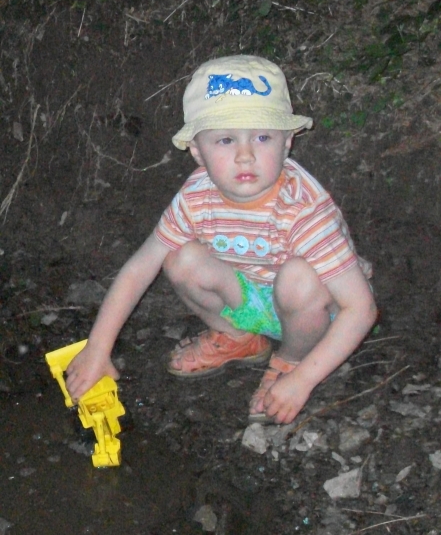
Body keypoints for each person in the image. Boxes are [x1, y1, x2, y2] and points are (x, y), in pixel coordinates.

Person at [66, 55, 377, 425]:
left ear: (287, 142)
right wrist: (97, 348)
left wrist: (303, 380)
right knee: (180, 258)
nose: (245, 155)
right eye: (226, 140)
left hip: (318, 311)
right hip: (253, 296)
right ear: (198, 151)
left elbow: (361, 309)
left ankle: (290, 362)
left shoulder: (302, 209)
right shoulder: (197, 196)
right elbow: (139, 268)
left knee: (298, 278)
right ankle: (237, 337)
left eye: (262, 137)